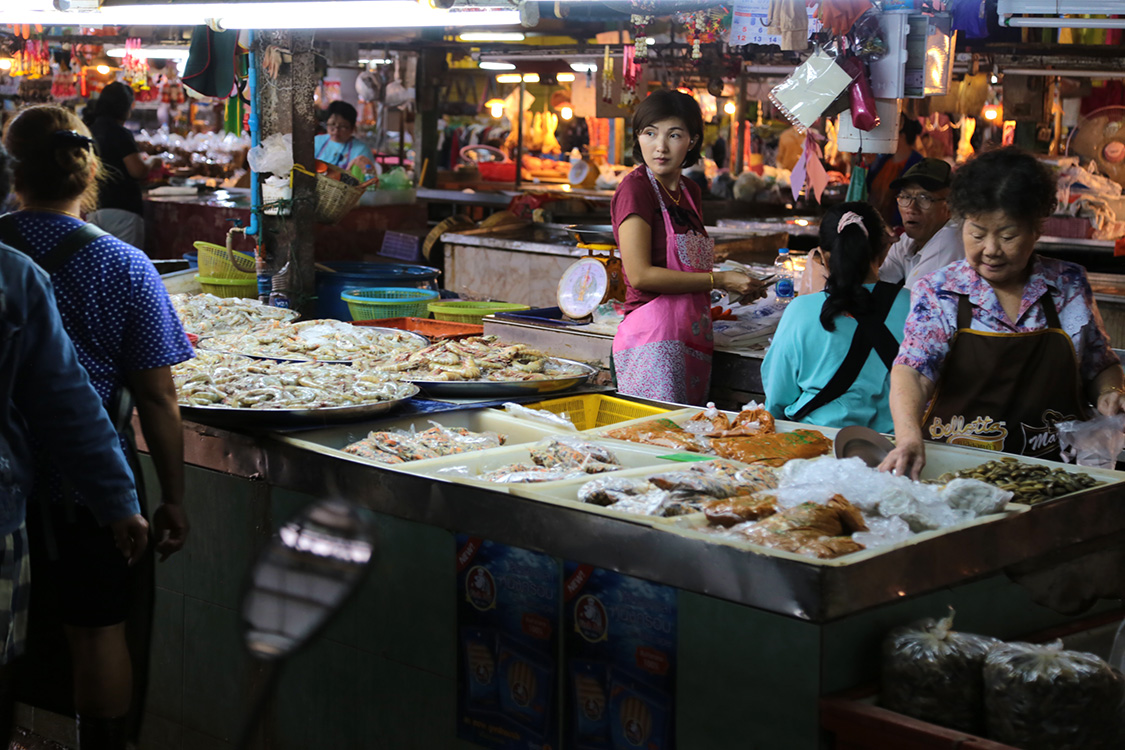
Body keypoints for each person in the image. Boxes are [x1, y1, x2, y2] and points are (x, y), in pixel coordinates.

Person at [1, 105, 194, 749]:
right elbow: (157, 397)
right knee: (98, 630)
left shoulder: (2, 258)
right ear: (89, 173)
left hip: (7, 488)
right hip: (90, 488)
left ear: (13, 171)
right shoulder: (125, 265)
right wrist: (173, 495)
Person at [880, 147, 1125, 478]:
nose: (991, 250)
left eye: (1008, 235)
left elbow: (1099, 365)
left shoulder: (1067, 284)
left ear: (1036, 229)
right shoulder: (940, 291)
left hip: (1051, 473)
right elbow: (913, 372)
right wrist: (907, 438)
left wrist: (1112, 393)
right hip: (954, 471)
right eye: (977, 234)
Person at [611, 90, 766, 405]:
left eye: (674, 135)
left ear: (692, 141)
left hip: (692, 337)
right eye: (650, 133)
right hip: (652, 342)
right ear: (638, 137)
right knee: (656, 440)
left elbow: (687, 269)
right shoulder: (636, 189)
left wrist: (732, 283)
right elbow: (640, 275)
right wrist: (719, 280)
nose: (661, 146)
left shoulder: (690, 191)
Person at [762, 202, 910, 432]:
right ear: (885, 249)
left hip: (814, 444)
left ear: (821, 256)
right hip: (891, 450)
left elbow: (777, 398)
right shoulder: (915, 306)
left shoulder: (800, 310)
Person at [86, 82, 162, 248]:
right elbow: (138, 171)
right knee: (125, 266)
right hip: (121, 210)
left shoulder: (90, 130)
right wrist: (152, 162)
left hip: (94, 208)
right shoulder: (119, 133)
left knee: (100, 263)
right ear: (124, 107)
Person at [878, 158, 964, 290]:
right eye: (906, 197)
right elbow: (876, 287)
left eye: (924, 198)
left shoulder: (950, 238)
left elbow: (908, 305)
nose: (911, 209)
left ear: (949, 206)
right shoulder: (907, 241)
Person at [867, 116, 924, 227]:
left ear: (901, 136)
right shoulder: (883, 159)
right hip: (876, 225)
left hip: (899, 228)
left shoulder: (917, 164)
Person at [314, 100, 376, 172]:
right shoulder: (317, 141)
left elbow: (367, 178)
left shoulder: (361, 150)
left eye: (343, 126)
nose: (336, 130)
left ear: (352, 128)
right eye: (332, 124)